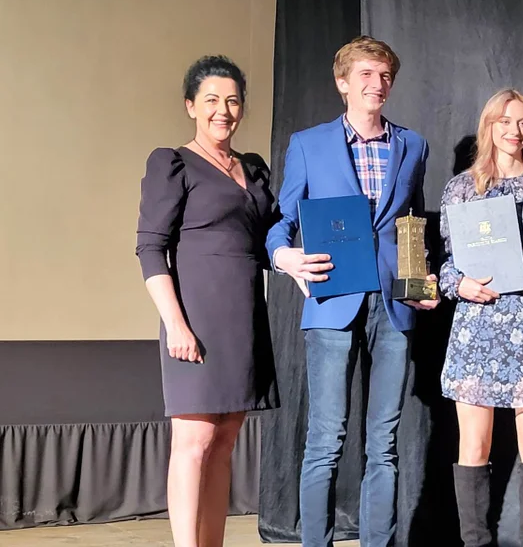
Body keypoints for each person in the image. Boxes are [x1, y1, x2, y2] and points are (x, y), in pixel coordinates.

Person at [266, 36, 438, 547]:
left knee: (383, 444)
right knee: (325, 439)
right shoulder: (308, 144)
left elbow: (413, 227)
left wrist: (420, 279)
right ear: (343, 83)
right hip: (331, 300)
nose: (377, 84)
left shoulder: (413, 145)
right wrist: (285, 257)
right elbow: (280, 222)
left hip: (393, 307)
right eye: (365, 74)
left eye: (385, 76)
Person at [136, 56, 279, 547]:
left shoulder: (254, 169)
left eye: (233, 100)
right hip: (193, 317)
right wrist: (175, 325)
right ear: (191, 106)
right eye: (212, 100)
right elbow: (150, 248)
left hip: (244, 318)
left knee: (224, 445)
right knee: (193, 443)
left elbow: (268, 242)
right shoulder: (172, 163)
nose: (224, 110)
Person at [438, 88, 523, 547]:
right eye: (505, 121)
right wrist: (461, 285)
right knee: (474, 448)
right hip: (478, 325)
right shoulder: (461, 187)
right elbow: (444, 265)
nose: (514, 131)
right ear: (488, 126)